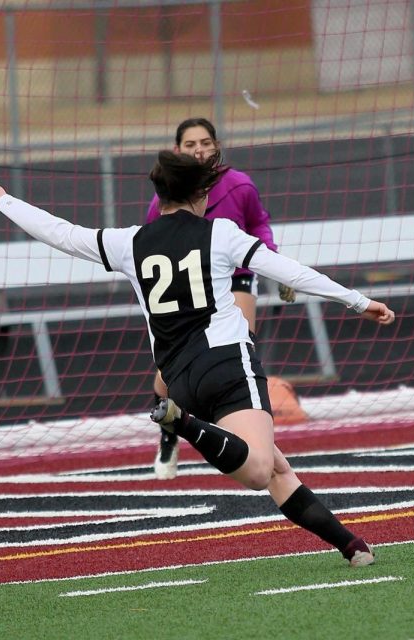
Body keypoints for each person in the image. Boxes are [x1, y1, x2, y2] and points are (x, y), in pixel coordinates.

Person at [0, 151, 395, 566]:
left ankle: (351, 545)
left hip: (178, 379)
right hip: (227, 364)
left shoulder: (130, 242)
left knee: (275, 468)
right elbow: (288, 270)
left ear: (159, 198)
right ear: (204, 195)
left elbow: (61, 232)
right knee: (257, 470)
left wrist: (2, 199)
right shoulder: (221, 233)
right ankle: (183, 425)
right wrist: (358, 301)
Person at [146, 117, 294, 480]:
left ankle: (242, 426)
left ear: (216, 147)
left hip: (237, 279)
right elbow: (151, 246)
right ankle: (169, 431)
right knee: (166, 378)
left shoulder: (239, 185)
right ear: (178, 151)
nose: (200, 150)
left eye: (206, 142)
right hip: (189, 292)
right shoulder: (161, 201)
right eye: (191, 144)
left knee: (239, 343)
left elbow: (259, 224)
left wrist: (276, 266)